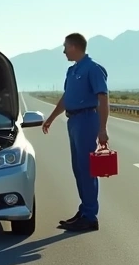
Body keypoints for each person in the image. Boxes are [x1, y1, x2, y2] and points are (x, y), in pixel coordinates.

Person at [41, 32, 109, 232]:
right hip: (73, 121)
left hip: (88, 120)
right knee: (78, 169)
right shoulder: (72, 71)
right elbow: (66, 98)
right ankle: (84, 210)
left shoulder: (93, 69)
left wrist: (102, 128)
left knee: (87, 169)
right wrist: (51, 118)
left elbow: (103, 99)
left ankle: (90, 216)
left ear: (73, 47)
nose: (63, 51)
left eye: (65, 47)